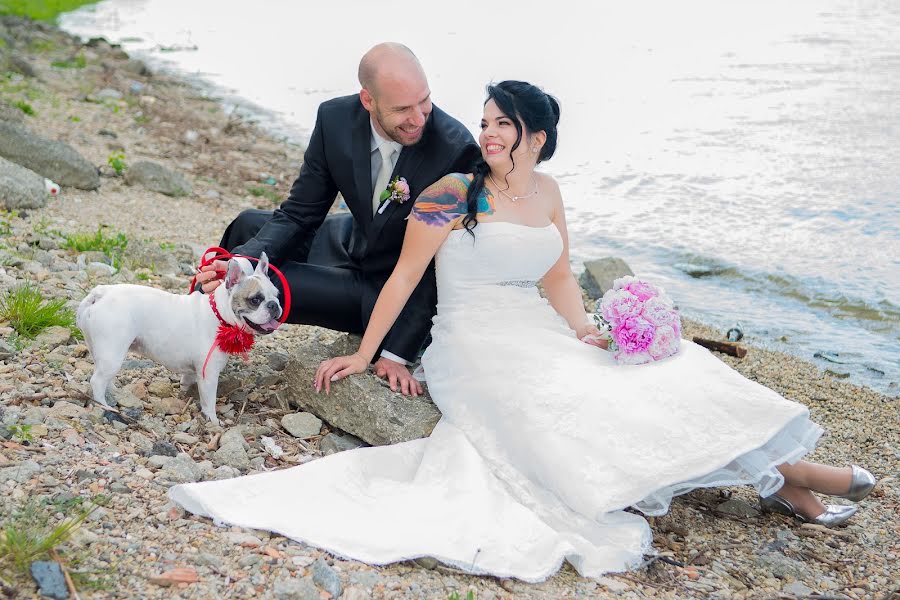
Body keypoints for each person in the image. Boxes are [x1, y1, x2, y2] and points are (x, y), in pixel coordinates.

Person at [171, 81, 876, 581]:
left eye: (503, 124)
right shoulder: (454, 191)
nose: (489, 134)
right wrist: (366, 353)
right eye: (485, 122)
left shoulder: (549, 194)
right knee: (594, 411)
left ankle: (783, 480)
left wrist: (587, 330)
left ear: (537, 138)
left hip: (538, 329)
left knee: (669, 372)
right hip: (473, 344)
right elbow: (406, 278)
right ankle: (794, 477)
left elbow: (560, 276)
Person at [194, 43, 480, 396]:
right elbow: (301, 212)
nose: (419, 118)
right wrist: (239, 261)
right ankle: (192, 329)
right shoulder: (335, 120)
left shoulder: (455, 149)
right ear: (368, 101)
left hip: (389, 288)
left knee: (268, 289)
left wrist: (397, 353)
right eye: (403, 108)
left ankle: (206, 336)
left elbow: (441, 266)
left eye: (425, 100)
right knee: (246, 229)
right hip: (351, 240)